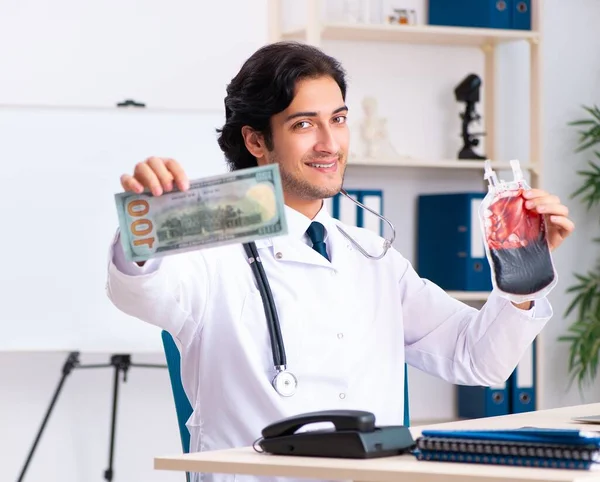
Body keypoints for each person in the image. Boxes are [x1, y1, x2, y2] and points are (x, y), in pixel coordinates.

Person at [106, 41, 574, 482]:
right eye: (304, 124)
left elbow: (477, 360)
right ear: (255, 141)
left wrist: (522, 277)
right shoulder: (206, 253)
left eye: (339, 119)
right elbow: (143, 290)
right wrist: (147, 228)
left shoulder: (370, 253)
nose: (330, 143)